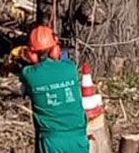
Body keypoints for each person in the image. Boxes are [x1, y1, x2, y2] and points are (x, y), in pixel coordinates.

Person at [17, 25, 89, 153]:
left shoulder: (29, 74)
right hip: (78, 138)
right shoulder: (70, 68)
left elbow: (24, 72)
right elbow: (62, 61)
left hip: (51, 141)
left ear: (32, 54)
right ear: (55, 49)